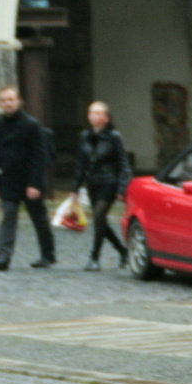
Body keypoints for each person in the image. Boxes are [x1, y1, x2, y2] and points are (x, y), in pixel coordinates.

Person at [0, 86, 56, 270]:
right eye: (3, 100)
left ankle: (48, 255)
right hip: (8, 179)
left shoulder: (31, 124)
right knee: (8, 216)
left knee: (39, 218)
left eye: (10, 99)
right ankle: (3, 257)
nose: (7, 103)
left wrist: (34, 184)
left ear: (19, 101)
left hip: (29, 180)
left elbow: (38, 156)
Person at [73, 101, 132, 271]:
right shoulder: (85, 136)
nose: (95, 116)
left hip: (109, 182)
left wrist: (122, 188)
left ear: (106, 118)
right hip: (93, 183)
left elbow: (124, 164)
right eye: (92, 112)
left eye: (99, 113)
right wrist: (75, 188)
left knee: (99, 215)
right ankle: (123, 251)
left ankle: (94, 257)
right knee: (100, 221)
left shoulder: (114, 137)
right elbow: (81, 164)